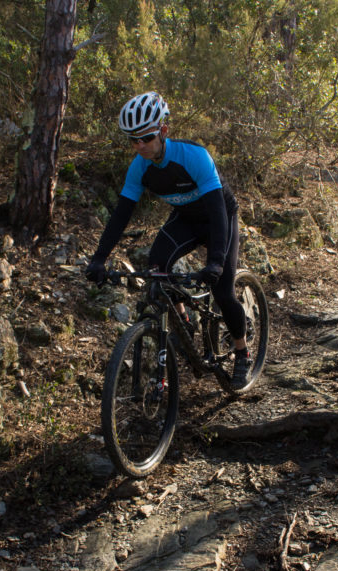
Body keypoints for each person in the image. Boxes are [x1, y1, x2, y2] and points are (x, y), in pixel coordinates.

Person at [85, 91, 251, 389]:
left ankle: (242, 351)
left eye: (145, 138)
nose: (139, 146)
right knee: (157, 266)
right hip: (186, 219)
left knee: (224, 290)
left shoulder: (194, 157)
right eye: (132, 140)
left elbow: (217, 210)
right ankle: (184, 323)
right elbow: (121, 216)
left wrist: (214, 261)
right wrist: (99, 258)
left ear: (163, 131)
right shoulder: (139, 168)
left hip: (219, 217)